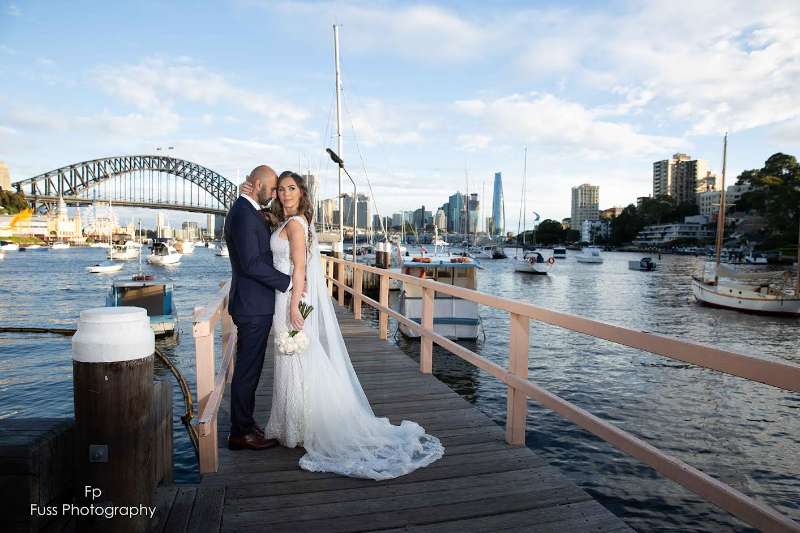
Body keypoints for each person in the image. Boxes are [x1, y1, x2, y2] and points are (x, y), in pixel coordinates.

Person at [243, 171, 444, 480]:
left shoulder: (296, 225)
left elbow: (299, 269)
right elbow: (264, 218)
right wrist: (248, 193)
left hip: (290, 299)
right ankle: (292, 424)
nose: (284, 193)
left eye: (291, 188)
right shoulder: (288, 221)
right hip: (286, 298)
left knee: (296, 358)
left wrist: (296, 305)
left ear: (302, 192)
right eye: (281, 189)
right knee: (293, 361)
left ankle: (299, 427)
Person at [224, 165, 297, 451]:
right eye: (272, 188)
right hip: (253, 305)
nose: (275, 193)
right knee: (247, 371)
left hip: (254, 303)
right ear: (256, 185)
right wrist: (287, 283)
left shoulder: (249, 210)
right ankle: (241, 433)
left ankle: (245, 423)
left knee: (250, 370)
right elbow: (251, 263)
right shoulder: (243, 214)